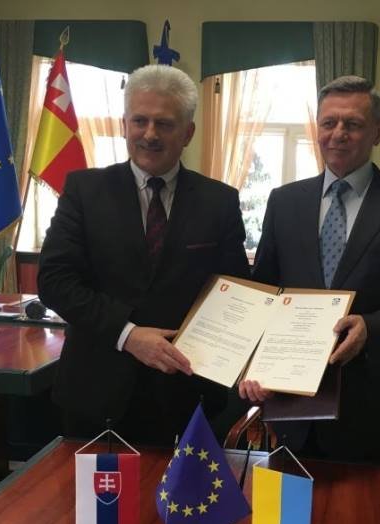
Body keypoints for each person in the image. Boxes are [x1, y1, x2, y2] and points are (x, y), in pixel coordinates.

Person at [240, 76, 380, 462]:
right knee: (288, 501)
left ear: (379, 130)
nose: (338, 133)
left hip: (370, 409)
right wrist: (252, 363)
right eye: (329, 123)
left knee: (363, 504)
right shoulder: (285, 201)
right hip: (290, 406)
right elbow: (266, 293)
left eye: (353, 124)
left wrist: (372, 328)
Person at [38, 65, 250, 443]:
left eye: (164, 124)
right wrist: (128, 334)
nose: (150, 134)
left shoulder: (219, 202)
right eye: (140, 121)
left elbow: (235, 292)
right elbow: (54, 282)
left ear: (188, 133)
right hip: (96, 395)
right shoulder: (84, 191)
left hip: (187, 396)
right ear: (124, 125)